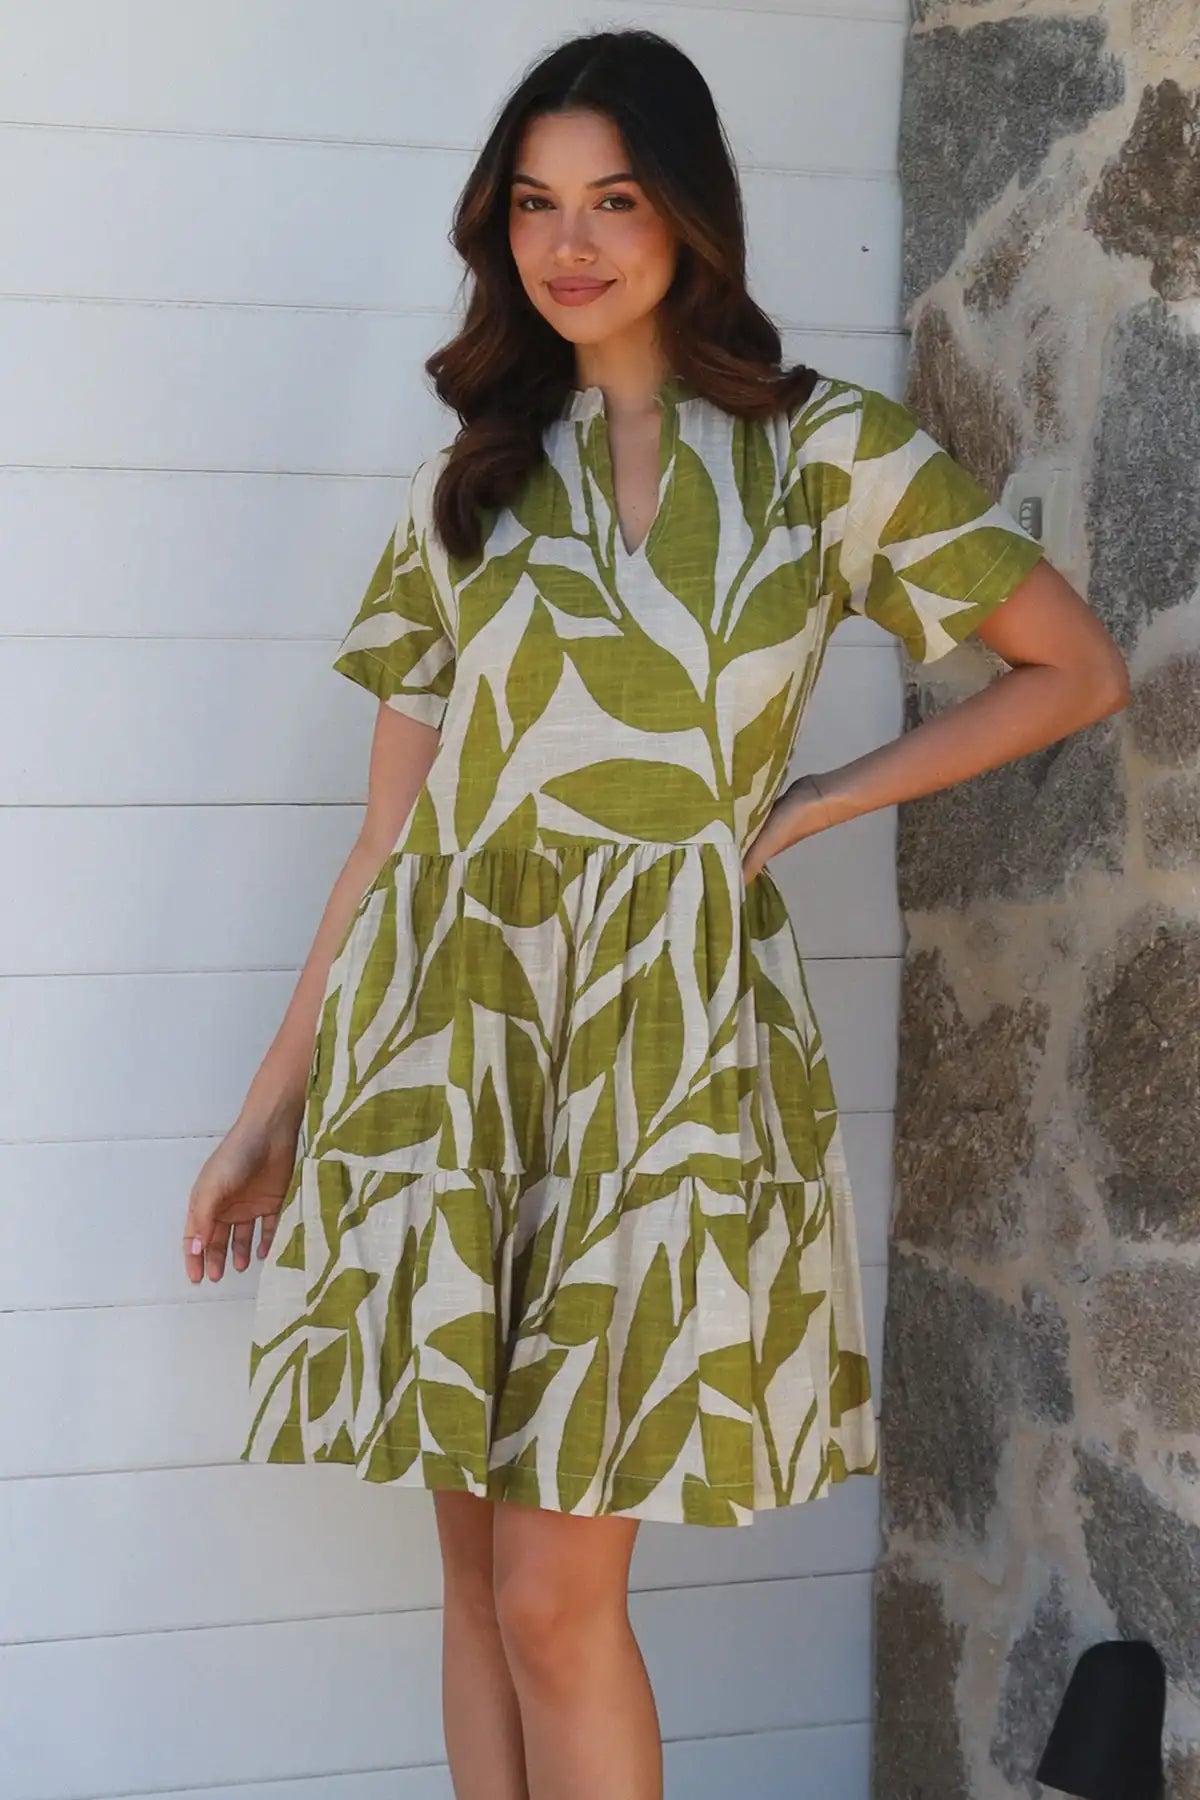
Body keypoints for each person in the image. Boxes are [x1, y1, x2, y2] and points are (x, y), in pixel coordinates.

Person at [182, 27, 1130, 1800]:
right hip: (441, 1053)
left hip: (664, 1060)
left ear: (689, 213)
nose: (573, 244)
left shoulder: (823, 459)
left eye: (614, 198)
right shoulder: (464, 486)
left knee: (557, 1593)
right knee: (475, 1593)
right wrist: (271, 1110)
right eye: (536, 206)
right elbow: (385, 845)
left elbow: (1068, 669)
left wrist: (830, 800)